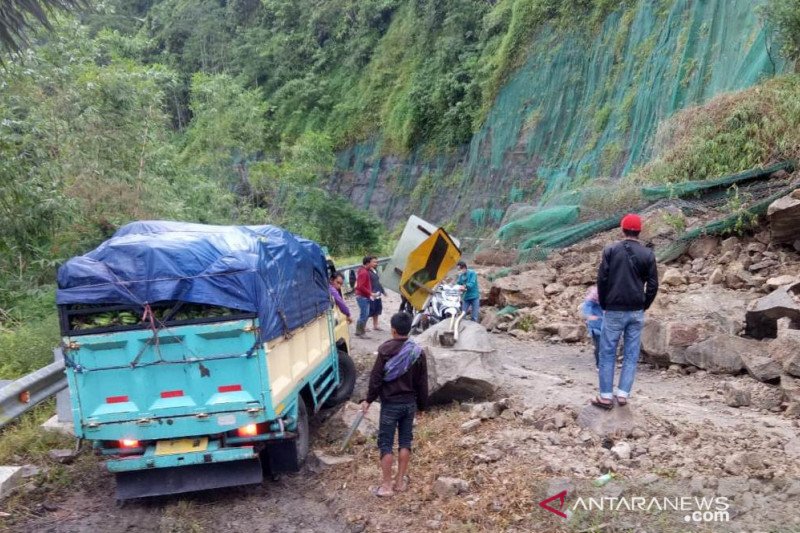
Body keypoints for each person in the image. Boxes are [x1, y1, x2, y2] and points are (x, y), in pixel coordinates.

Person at [591, 213, 658, 409]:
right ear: (639, 231)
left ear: (622, 229)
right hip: (636, 310)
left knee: (607, 352)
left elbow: (602, 280)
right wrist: (644, 304)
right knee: (631, 353)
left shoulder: (611, 250)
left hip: (614, 309)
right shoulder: (648, 254)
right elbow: (653, 284)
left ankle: (605, 396)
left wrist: (604, 303)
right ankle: (622, 394)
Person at [361, 312, 428, 498]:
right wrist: (422, 407)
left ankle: (386, 486)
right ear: (408, 329)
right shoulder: (417, 352)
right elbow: (423, 383)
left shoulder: (384, 350)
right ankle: (399, 482)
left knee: (386, 444)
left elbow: (376, 379)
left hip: (390, 404)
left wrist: (369, 399)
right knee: (405, 442)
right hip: (409, 405)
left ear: (393, 330)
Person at [580, 285, 603, 368]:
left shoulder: (607, 297)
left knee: (605, 345)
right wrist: (589, 316)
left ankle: (604, 363)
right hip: (595, 326)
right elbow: (586, 307)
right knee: (599, 345)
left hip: (605, 325)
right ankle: (599, 364)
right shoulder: (592, 298)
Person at [354, 256, 373, 337]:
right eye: (372, 262)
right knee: (364, 315)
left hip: (363, 296)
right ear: (368, 263)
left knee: (365, 314)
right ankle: (361, 332)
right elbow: (360, 286)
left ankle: (359, 331)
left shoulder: (363, 270)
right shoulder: (364, 272)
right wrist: (370, 293)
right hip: (362, 297)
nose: (373, 264)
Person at [368, 257, 386, 331]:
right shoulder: (367, 272)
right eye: (374, 262)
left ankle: (375, 325)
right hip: (371, 295)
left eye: (376, 262)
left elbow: (379, 283)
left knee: (377, 310)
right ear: (369, 263)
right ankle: (364, 326)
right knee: (369, 310)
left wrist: (383, 291)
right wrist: (370, 293)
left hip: (378, 294)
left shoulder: (375, 271)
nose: (376, 263)